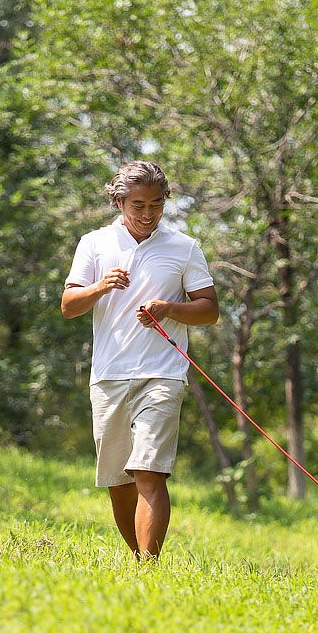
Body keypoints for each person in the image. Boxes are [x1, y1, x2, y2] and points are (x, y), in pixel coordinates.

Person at [62, 161, 218, 559]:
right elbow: (68, 306)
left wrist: (168, 309)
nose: (148, 214)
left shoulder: (184, 247)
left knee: (149, 470)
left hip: (163, 373)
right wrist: (101, 286)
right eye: (138, 205)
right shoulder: (94, 243)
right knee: (119, 479)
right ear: (118, 202)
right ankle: (138, 560)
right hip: (109, 375)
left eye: (156, 204)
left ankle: (150, 565)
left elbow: (209, 310)